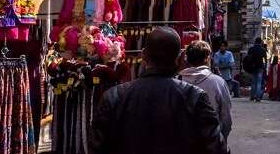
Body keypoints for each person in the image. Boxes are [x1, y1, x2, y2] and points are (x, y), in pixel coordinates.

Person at [90, 27, 226, 154]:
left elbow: (97, 146)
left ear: (143, 55)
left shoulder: (114, 97)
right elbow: (216, 147)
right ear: (179, 58)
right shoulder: (195, 97)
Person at [180, 40, 233, 141]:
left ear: (187, 59)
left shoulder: (176, 81)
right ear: (208, 58)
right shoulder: (218, 82)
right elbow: (226, 118)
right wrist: (221, 139)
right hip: (209, 140)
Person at [247, 37, 268, 102]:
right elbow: (265, 60)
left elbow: (248, 59)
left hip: (253, 67)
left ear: (255, 42)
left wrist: (249, 66)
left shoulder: (251, 49)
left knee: (253, 82)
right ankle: (258, 97)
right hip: (260, 67)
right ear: (260, 42)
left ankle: (252, 96)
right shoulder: (263, 50)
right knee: (259, 82)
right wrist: (265, 67)